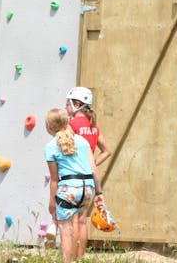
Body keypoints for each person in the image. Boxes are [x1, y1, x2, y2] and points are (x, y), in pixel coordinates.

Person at [44, 108, 104, 263]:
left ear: (48, 127)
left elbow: (55, 180)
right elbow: (93, 168)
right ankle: (78, 259)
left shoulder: (51, 147)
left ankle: (66, 260)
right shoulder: (82, 141)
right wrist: (99, 193)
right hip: (87, 189)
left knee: (66, 230)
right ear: (66, 122)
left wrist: (52, 203)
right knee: (81, 221)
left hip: (68, 189)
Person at [65, 87, 111, 166]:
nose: (66, 107)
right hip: (89, 175)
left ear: (76, 105)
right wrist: (91, 166)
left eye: (68, 104)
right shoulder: (94, 126)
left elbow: (64, 149)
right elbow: (107, 151)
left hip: (74, 174)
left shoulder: (71, 124)